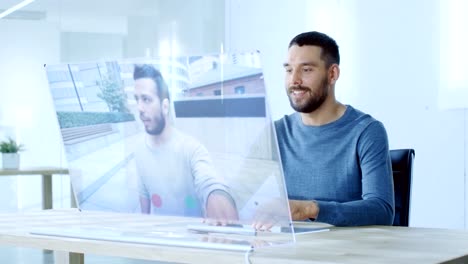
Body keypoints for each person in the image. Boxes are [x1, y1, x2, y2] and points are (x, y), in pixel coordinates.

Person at [272, 31, 394, 227]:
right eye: (288, 70)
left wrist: (309, 209)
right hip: (284, 251)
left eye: (306, 70)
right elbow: (244, 198)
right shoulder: (275, 133)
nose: (294, 80)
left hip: (345, 253)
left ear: (332, 74)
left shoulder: (367, 132)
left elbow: (381, 211)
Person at [132, 64, 238, 224]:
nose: (139, 108)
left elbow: (208, 180)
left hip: (193, 240)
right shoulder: (139, 151)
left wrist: (217, 197)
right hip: (162, 239)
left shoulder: (191, 148)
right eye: (137, 99)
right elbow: (144, 193)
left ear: (165, 106)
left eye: (146, 99)